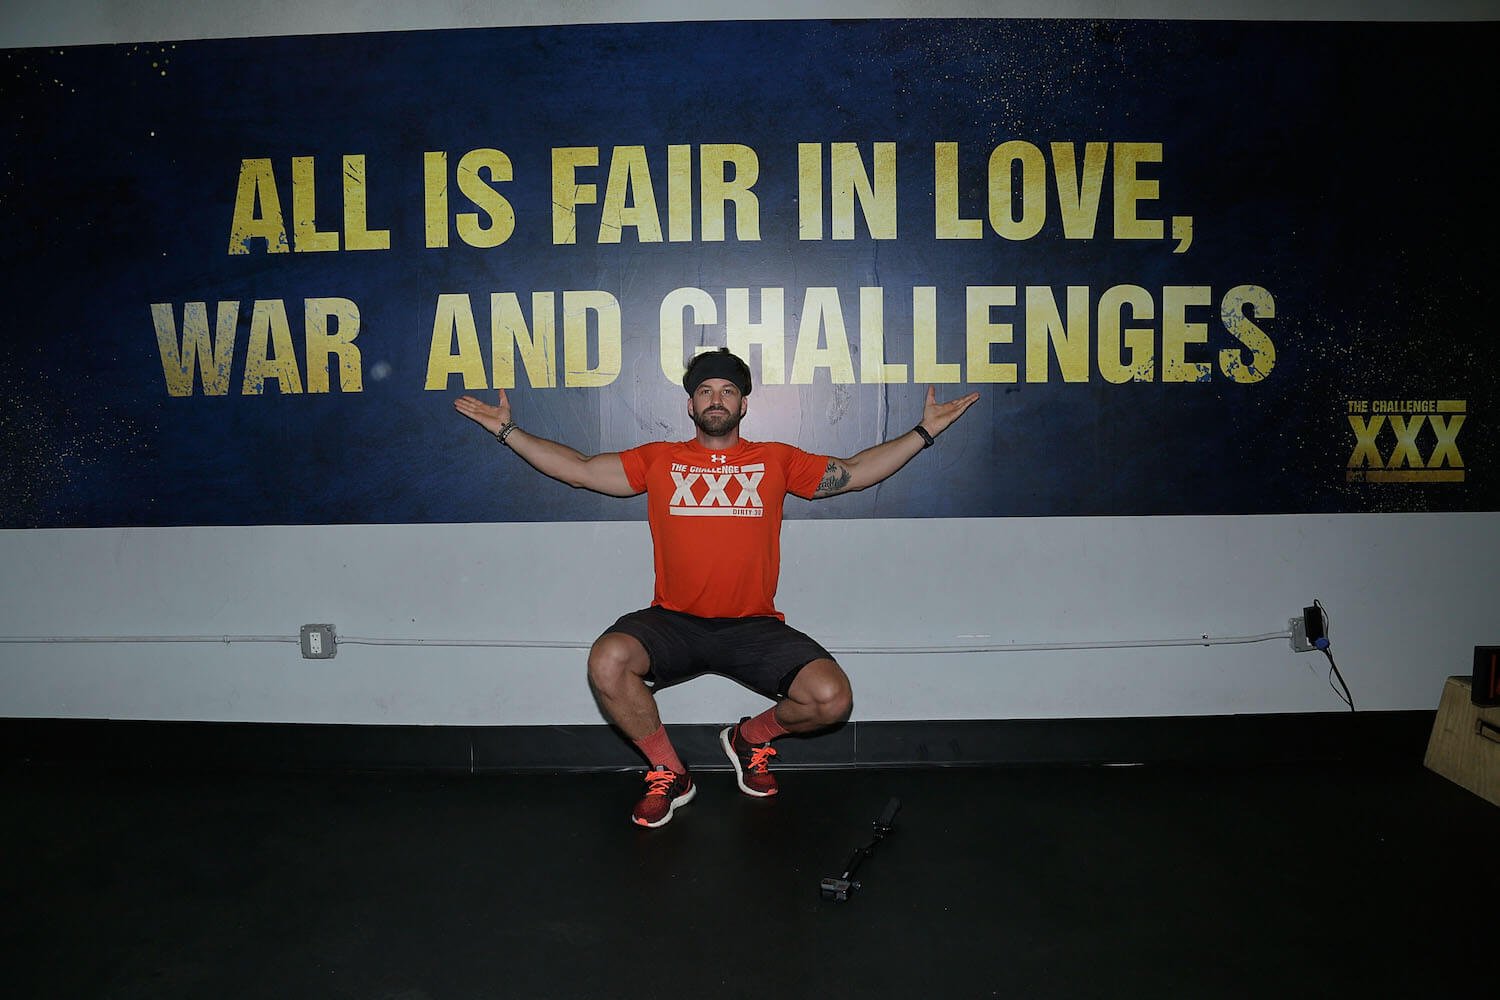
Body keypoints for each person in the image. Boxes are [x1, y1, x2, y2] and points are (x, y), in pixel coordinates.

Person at [454, 349, 979, 828]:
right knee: (607, 660)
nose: (716, 399)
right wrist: (508, 432)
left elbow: (857, 472)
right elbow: (580, 471)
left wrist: (924, 432)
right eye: (705, 391)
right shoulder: (660, 459)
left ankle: (749, 739)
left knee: (831, 699)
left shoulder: (774, 459)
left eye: (727, 390)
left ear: (743, 404)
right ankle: (669, 771)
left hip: (752, 625)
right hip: (674, 621)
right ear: (690, 405)